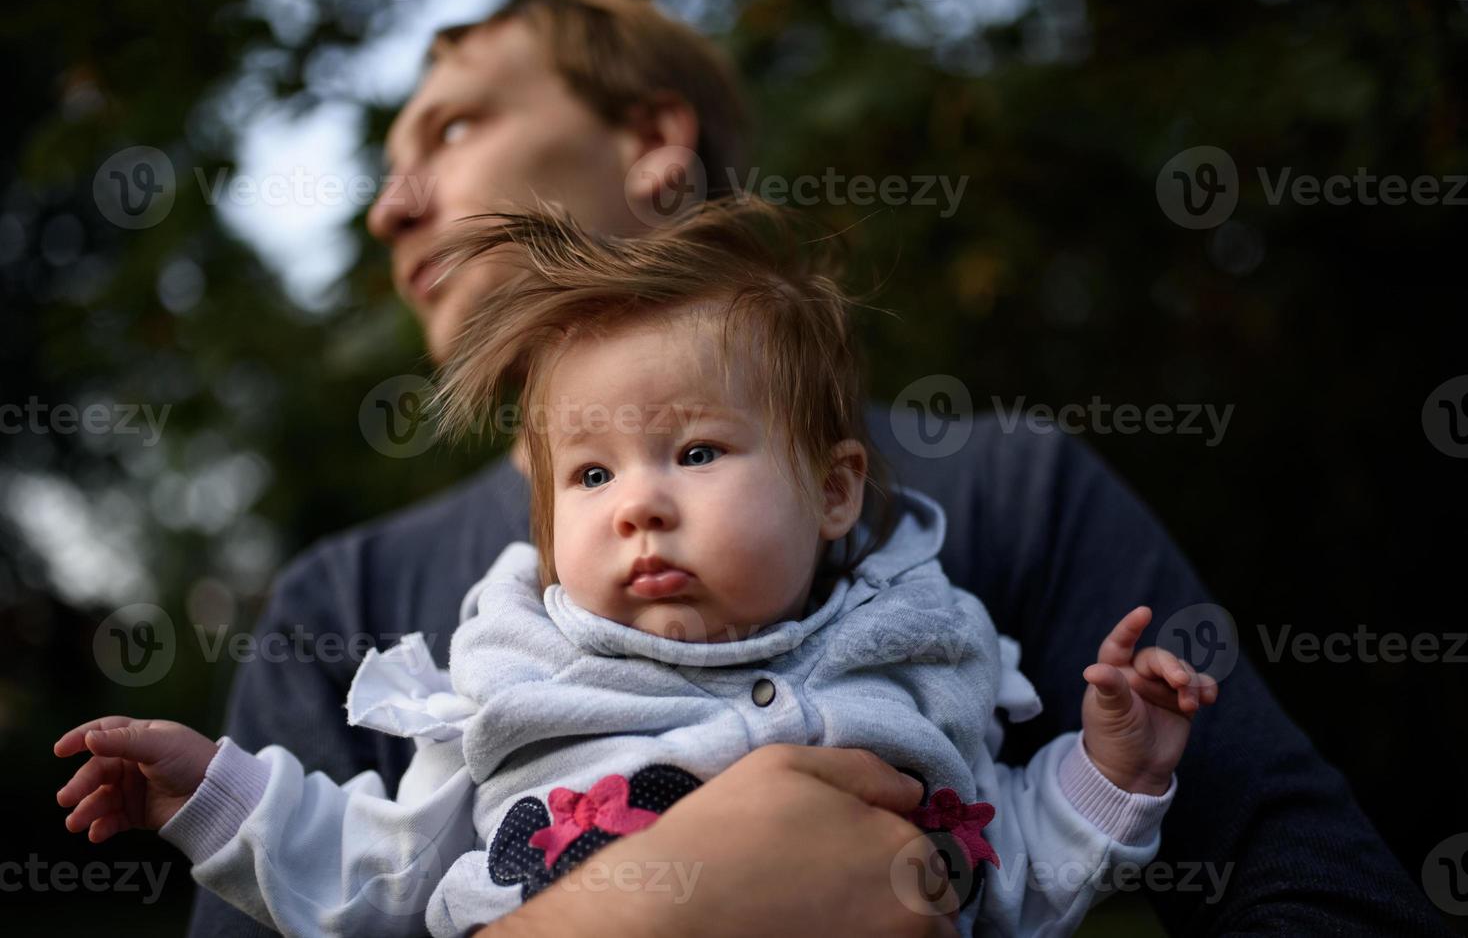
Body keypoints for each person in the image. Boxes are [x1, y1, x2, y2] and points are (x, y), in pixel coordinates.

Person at [149, 0, 1447, 938]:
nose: (390, 206)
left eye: (447, 131)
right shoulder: (347, 605)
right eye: (587, 481)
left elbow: (1317, 891)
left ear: (656, 138)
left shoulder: (1008, 500)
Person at [55, 200, 1220, 937]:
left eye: (698, 450)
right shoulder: (517, 678)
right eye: (592, 475)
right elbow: (378, 864)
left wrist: (1114, 770)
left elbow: (1014, 865)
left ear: (834, 488)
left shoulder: (921, 652)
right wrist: (213, 794)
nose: (641, 505)